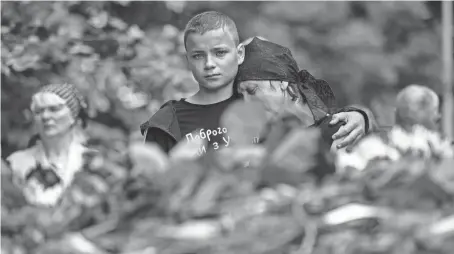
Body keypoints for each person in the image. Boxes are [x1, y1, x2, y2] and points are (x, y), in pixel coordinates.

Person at [140, 11, 374, 154]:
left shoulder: (261, 109)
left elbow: (311, 130)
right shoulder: (169, 121)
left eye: (220, 52)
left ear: (239, 53)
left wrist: (360, 117)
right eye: (198, 55)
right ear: (188, 58)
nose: (209, 64)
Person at [235, 37, 365, 148]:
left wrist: (362, 116)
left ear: (282, 82)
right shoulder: (252, 144)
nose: (246, 102)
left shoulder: (336, 131)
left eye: (251, 91)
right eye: (241, 95)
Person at [6, 83, 91, 207]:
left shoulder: (91, 160)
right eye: (39, 111)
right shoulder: (16, 163)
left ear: (73, 115)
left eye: (54, 109)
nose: (45, 116)